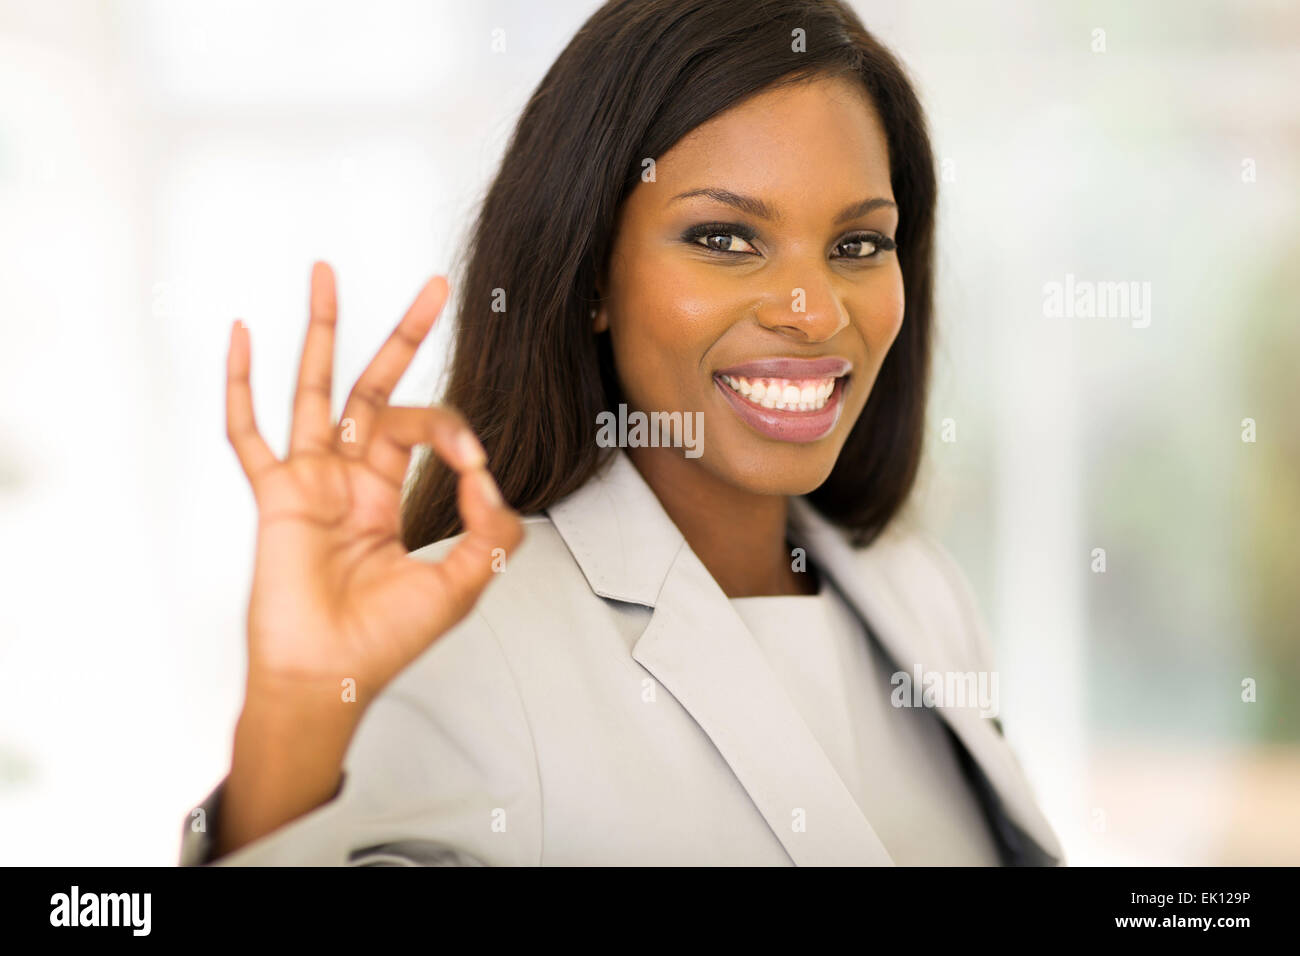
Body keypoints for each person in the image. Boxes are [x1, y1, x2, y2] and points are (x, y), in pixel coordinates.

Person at [180, 0, 1064, 866]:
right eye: (725, 237)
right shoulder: (462, 627)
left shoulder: (918, 590)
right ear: (591, 276)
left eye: (859, 245)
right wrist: (292, 721)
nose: (815, 311)